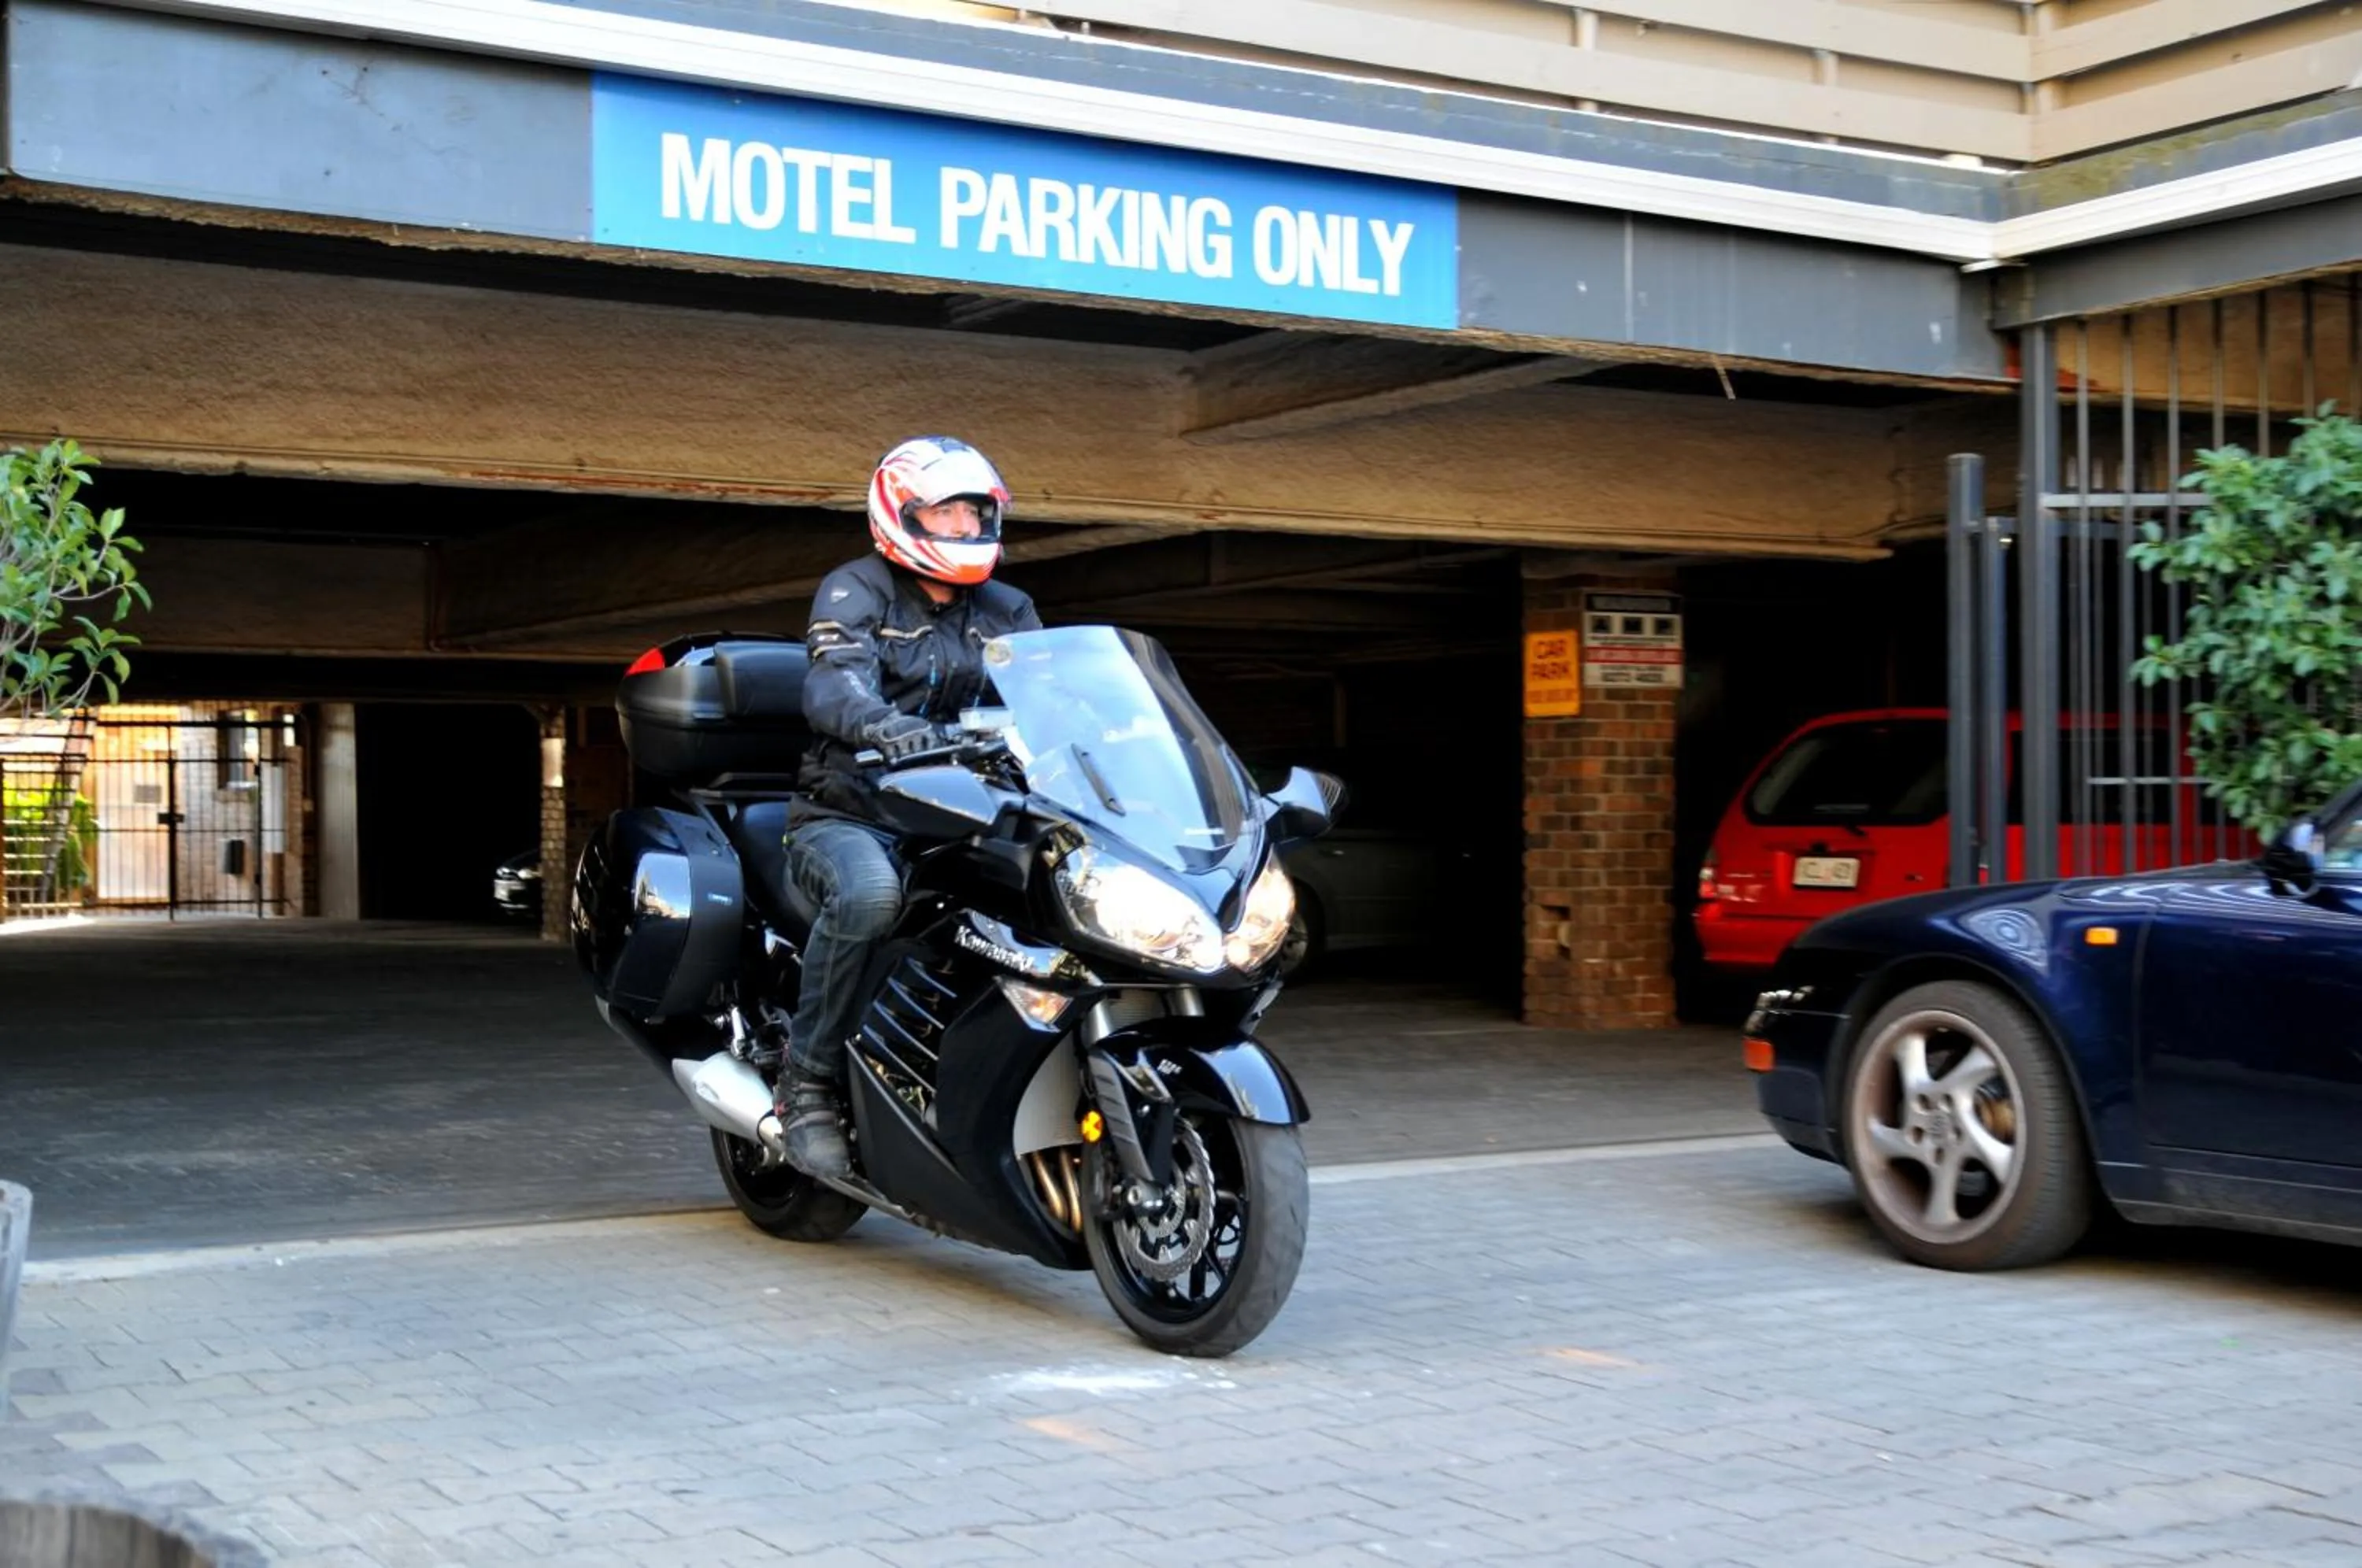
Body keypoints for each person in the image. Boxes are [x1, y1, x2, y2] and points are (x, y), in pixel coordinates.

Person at [766, 436, 1042, 1178]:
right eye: (945, 511)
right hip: (850, 815)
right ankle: (808, 1084)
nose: (961, 526)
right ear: (901, 514)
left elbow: (1055, 701)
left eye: (972, 512)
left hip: (968, 814)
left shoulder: (1009, 607)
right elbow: (833, 686)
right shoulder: (857, 589)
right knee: (870, 896)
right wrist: (888, 727)